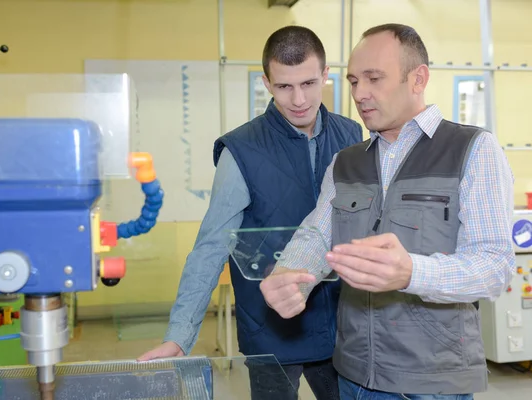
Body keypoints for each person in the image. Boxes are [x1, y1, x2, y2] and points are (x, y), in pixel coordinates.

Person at [259, 23, 516, 400]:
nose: (359, 94)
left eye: (374, 78)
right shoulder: (344, 163)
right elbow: (317, 234)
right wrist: (291, 275)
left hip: (431, 384)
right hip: (351, 376)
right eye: (352, 81)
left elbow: (494, 266)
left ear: (418, 79)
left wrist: (412, 272)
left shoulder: (472, 150)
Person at [138, 25, 363, 399]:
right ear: (266, 83)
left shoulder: (351, 135)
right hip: (271, 332)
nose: (299, 99)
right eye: (284, 86)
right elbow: (211, 247)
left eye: (308, 83)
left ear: (326, 75)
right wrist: (180, 336)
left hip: (340, 327)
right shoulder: (240, 151)